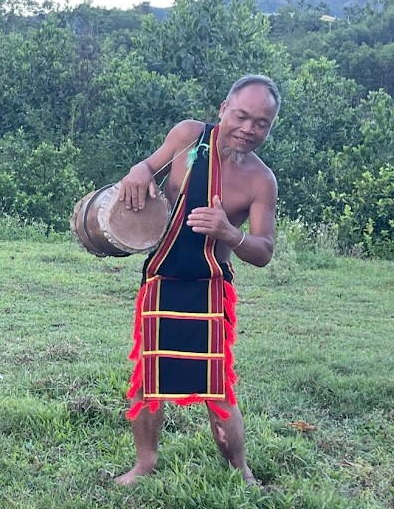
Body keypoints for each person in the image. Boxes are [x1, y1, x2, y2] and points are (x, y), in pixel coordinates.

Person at [113, 74, 280, 486]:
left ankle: (241, 471)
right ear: (223, 108)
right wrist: (137, 171)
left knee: (217, 388)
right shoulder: (188, 136)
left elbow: (263, 251)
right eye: (242, 116)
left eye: (261, 123)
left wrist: (230, 233)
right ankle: (145, 464)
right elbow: (147, 167)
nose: (248, 129)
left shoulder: (262, 181)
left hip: (209, 288)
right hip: (161, 277)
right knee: (148, 379)